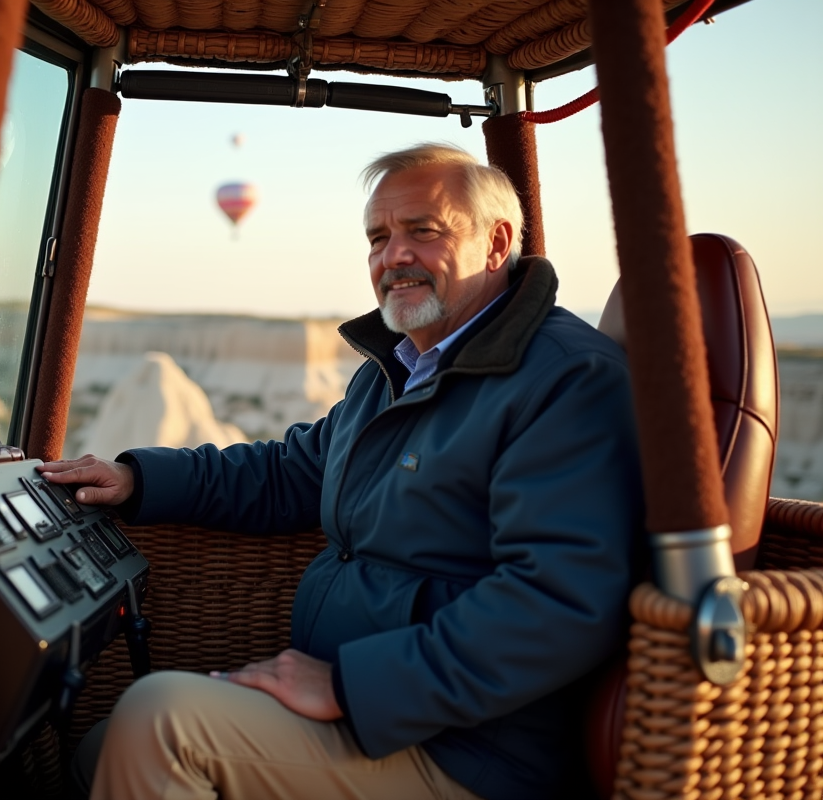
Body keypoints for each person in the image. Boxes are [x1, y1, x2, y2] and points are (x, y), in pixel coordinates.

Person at [43, 143, 643, 800]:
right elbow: (289, 473)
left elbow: (558, 602)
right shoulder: (400, 368)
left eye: (423, 231)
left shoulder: (564, 381)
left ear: (496, 243)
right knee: (97, 745)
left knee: (158, 725)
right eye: (378, 237)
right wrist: (138, 480)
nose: (394, 257)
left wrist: (348, 686)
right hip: (375, 712)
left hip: (469, 749)